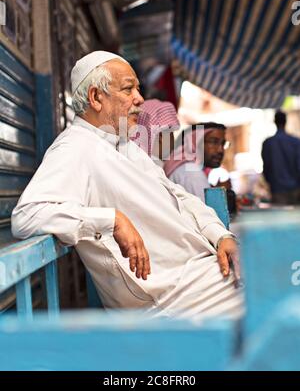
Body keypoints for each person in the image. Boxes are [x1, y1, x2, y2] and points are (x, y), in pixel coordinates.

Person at [11, 51, 243, 321]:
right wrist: (111, 220)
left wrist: (220, 235)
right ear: (97, 97)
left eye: (138, 89)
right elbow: (26, 216)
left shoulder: (126, 145)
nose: (139, 99)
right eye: (128, 89)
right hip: (176, 298)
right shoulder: (75, 147)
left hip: (204, 275)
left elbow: (179, 196)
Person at [164, 123, 231, 203]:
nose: (220, 150)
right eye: (213, 142)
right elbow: (209, 213)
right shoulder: (192, 173)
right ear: (194, 142)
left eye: (223, 144)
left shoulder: (185, 169)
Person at [262, 110, 300, 205]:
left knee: (281, 217)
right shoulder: (295, 142)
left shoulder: (268, 143)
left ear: (275, 122)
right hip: (296, 188)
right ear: (285, 121)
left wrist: (270, 183)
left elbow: (266, 167)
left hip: (277, 189)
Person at [131, 99, 180, 166]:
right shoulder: (155, 169)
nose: (173, 141)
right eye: (172, 134)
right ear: (161, 137)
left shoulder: (133, 159)